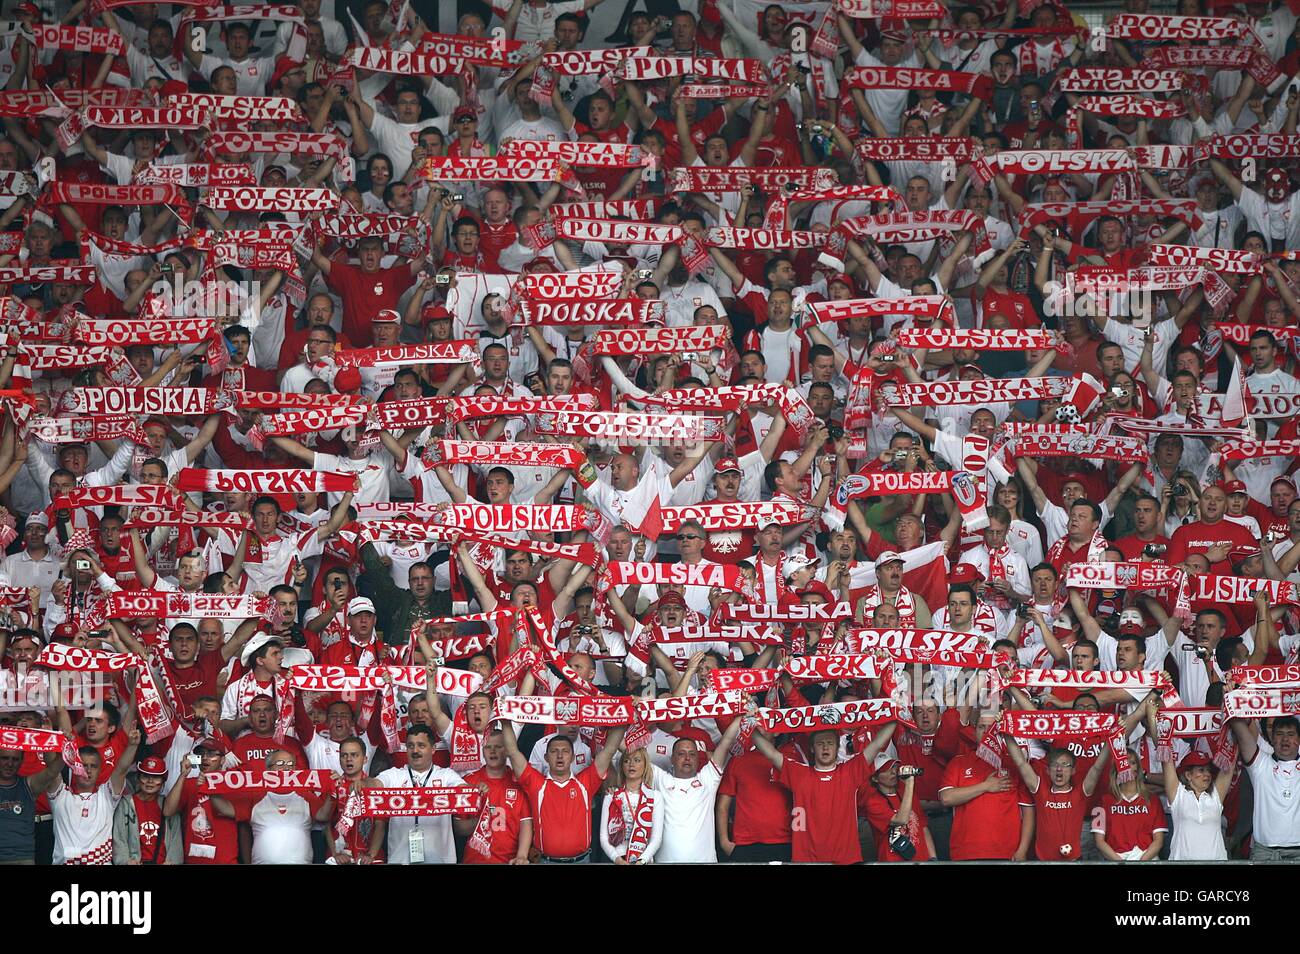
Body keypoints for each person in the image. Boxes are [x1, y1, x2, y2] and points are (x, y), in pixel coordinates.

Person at [751, 720, 898, 864]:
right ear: (813, 748)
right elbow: (770, 753)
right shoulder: (799, 774)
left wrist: (897, 714)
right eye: (820, 744)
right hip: (806, 859)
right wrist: (749, 725)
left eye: (830, 743)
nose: (825, 748)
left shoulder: (850, 772)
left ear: (836, 748)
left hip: (846, 858)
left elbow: (878, 743)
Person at [499, 720, 626, 864]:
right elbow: (513, 753)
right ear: (546, 758)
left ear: (572, 758)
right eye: (554, 751)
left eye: (565, 751)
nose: (560, 755)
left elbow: (609, 750)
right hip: (547, 861)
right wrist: (505, 722)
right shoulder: (536, 784)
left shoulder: (585, 783)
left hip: (582, 861)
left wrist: (624, 716)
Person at [371, 724, 474, 865]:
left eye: (421, 745)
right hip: (400, 859)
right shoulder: (394, 775)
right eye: (410, 746)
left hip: (441, 860)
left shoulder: (446, 775)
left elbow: (465, 791)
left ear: (433, 749)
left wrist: (476, 790)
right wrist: (363, 784)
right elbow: (375, 784)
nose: (415, 750)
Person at [598, 745, 663, 864]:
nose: (631, 764)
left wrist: (641, 861)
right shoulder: (611, 796)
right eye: (627, 761)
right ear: (622, 766)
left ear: (645, 765)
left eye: (637, 760)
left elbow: (656, 838)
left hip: (643, 860)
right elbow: (603, 837)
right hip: (617, 859)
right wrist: (617, 859)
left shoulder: (655, 796)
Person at [112, 756, 181, 865]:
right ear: (138, 778)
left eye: (156, 777)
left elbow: (176, 840)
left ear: (163, 781)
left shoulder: (168, 805)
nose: (150, 781)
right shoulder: (126, 803)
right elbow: (119, 837)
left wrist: (172, 862)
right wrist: (126, 861)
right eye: (145, 776)